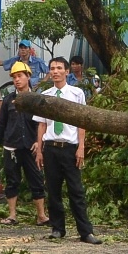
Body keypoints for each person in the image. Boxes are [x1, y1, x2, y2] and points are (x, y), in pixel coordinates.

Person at [35, 57, 100, 243]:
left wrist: (81, 146)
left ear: (66, 71)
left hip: (70, 147)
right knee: (53, 190)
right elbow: (41, 124)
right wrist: (39, 149)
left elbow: (81, 122)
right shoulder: (45, 95)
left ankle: (85, 232)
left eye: (59, 68)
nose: (55, 71)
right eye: (52, 68)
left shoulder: (76, 93)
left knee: (76, 190)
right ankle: (57, 229)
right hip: (51, 147)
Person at [0, 62, 48, 225]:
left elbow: (43, 123)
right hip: (11, 145)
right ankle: (12, 215)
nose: (17, 80)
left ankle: (41, 216)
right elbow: (1, 123)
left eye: (20, 76)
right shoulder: (8, 100)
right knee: (12, 180)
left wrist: (39, 142)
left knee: (37, 180)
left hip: (31, 147)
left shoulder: (37, 99)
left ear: (28, 76)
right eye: (14, 77)